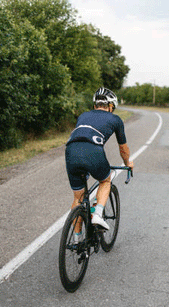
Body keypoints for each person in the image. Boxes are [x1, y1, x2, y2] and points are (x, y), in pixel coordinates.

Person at [65, 87, 134, 231]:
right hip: (92, 150)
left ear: (95, 105)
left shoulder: (83, 115)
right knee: (105, 180)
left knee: (78, 198)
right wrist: (128, 163)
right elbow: (123, 149)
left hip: (71, 150)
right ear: (110, 106)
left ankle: (77, 241)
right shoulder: (115, 119)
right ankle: (97, 214)